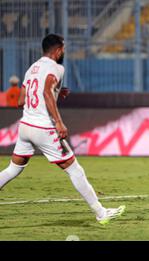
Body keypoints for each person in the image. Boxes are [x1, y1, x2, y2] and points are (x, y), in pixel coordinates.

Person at [0, 34, 125, 225]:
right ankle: (101, 213)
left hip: (25, 127)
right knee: (75, 170)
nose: (63, 52)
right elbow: (46, 91)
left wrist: (58, 91)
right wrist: (58, 122)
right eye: (63, 49)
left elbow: (21, 101)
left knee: (13, 169)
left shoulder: (31, 68)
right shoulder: (56, 67)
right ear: (57, 50)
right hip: (44, 128)